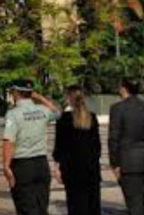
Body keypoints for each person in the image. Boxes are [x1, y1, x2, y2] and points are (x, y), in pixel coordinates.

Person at [1, 82, 61, 215]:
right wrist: (40, 98)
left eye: (12, 92)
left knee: (25, 208)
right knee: (41, 207)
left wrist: (6, 166)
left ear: (16, 93)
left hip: (22, 166)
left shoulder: (13, 114)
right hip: (41, 165)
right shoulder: (43, 110)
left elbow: (9, 141)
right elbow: (58, 114)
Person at [108, 79, 144, 215]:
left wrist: (114, 163)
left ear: (124, 89)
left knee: (134, 202)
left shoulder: (117, 108)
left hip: (129, 162)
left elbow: (114, 138)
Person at [52, 86, 101, 215]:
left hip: (72, 171)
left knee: (76, 206)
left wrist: (57, 167)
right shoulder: (92, 117)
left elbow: (59, 147)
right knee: (93, 206)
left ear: (69, 98)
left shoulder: (64, 119)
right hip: (91, 170)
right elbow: (97, 147)